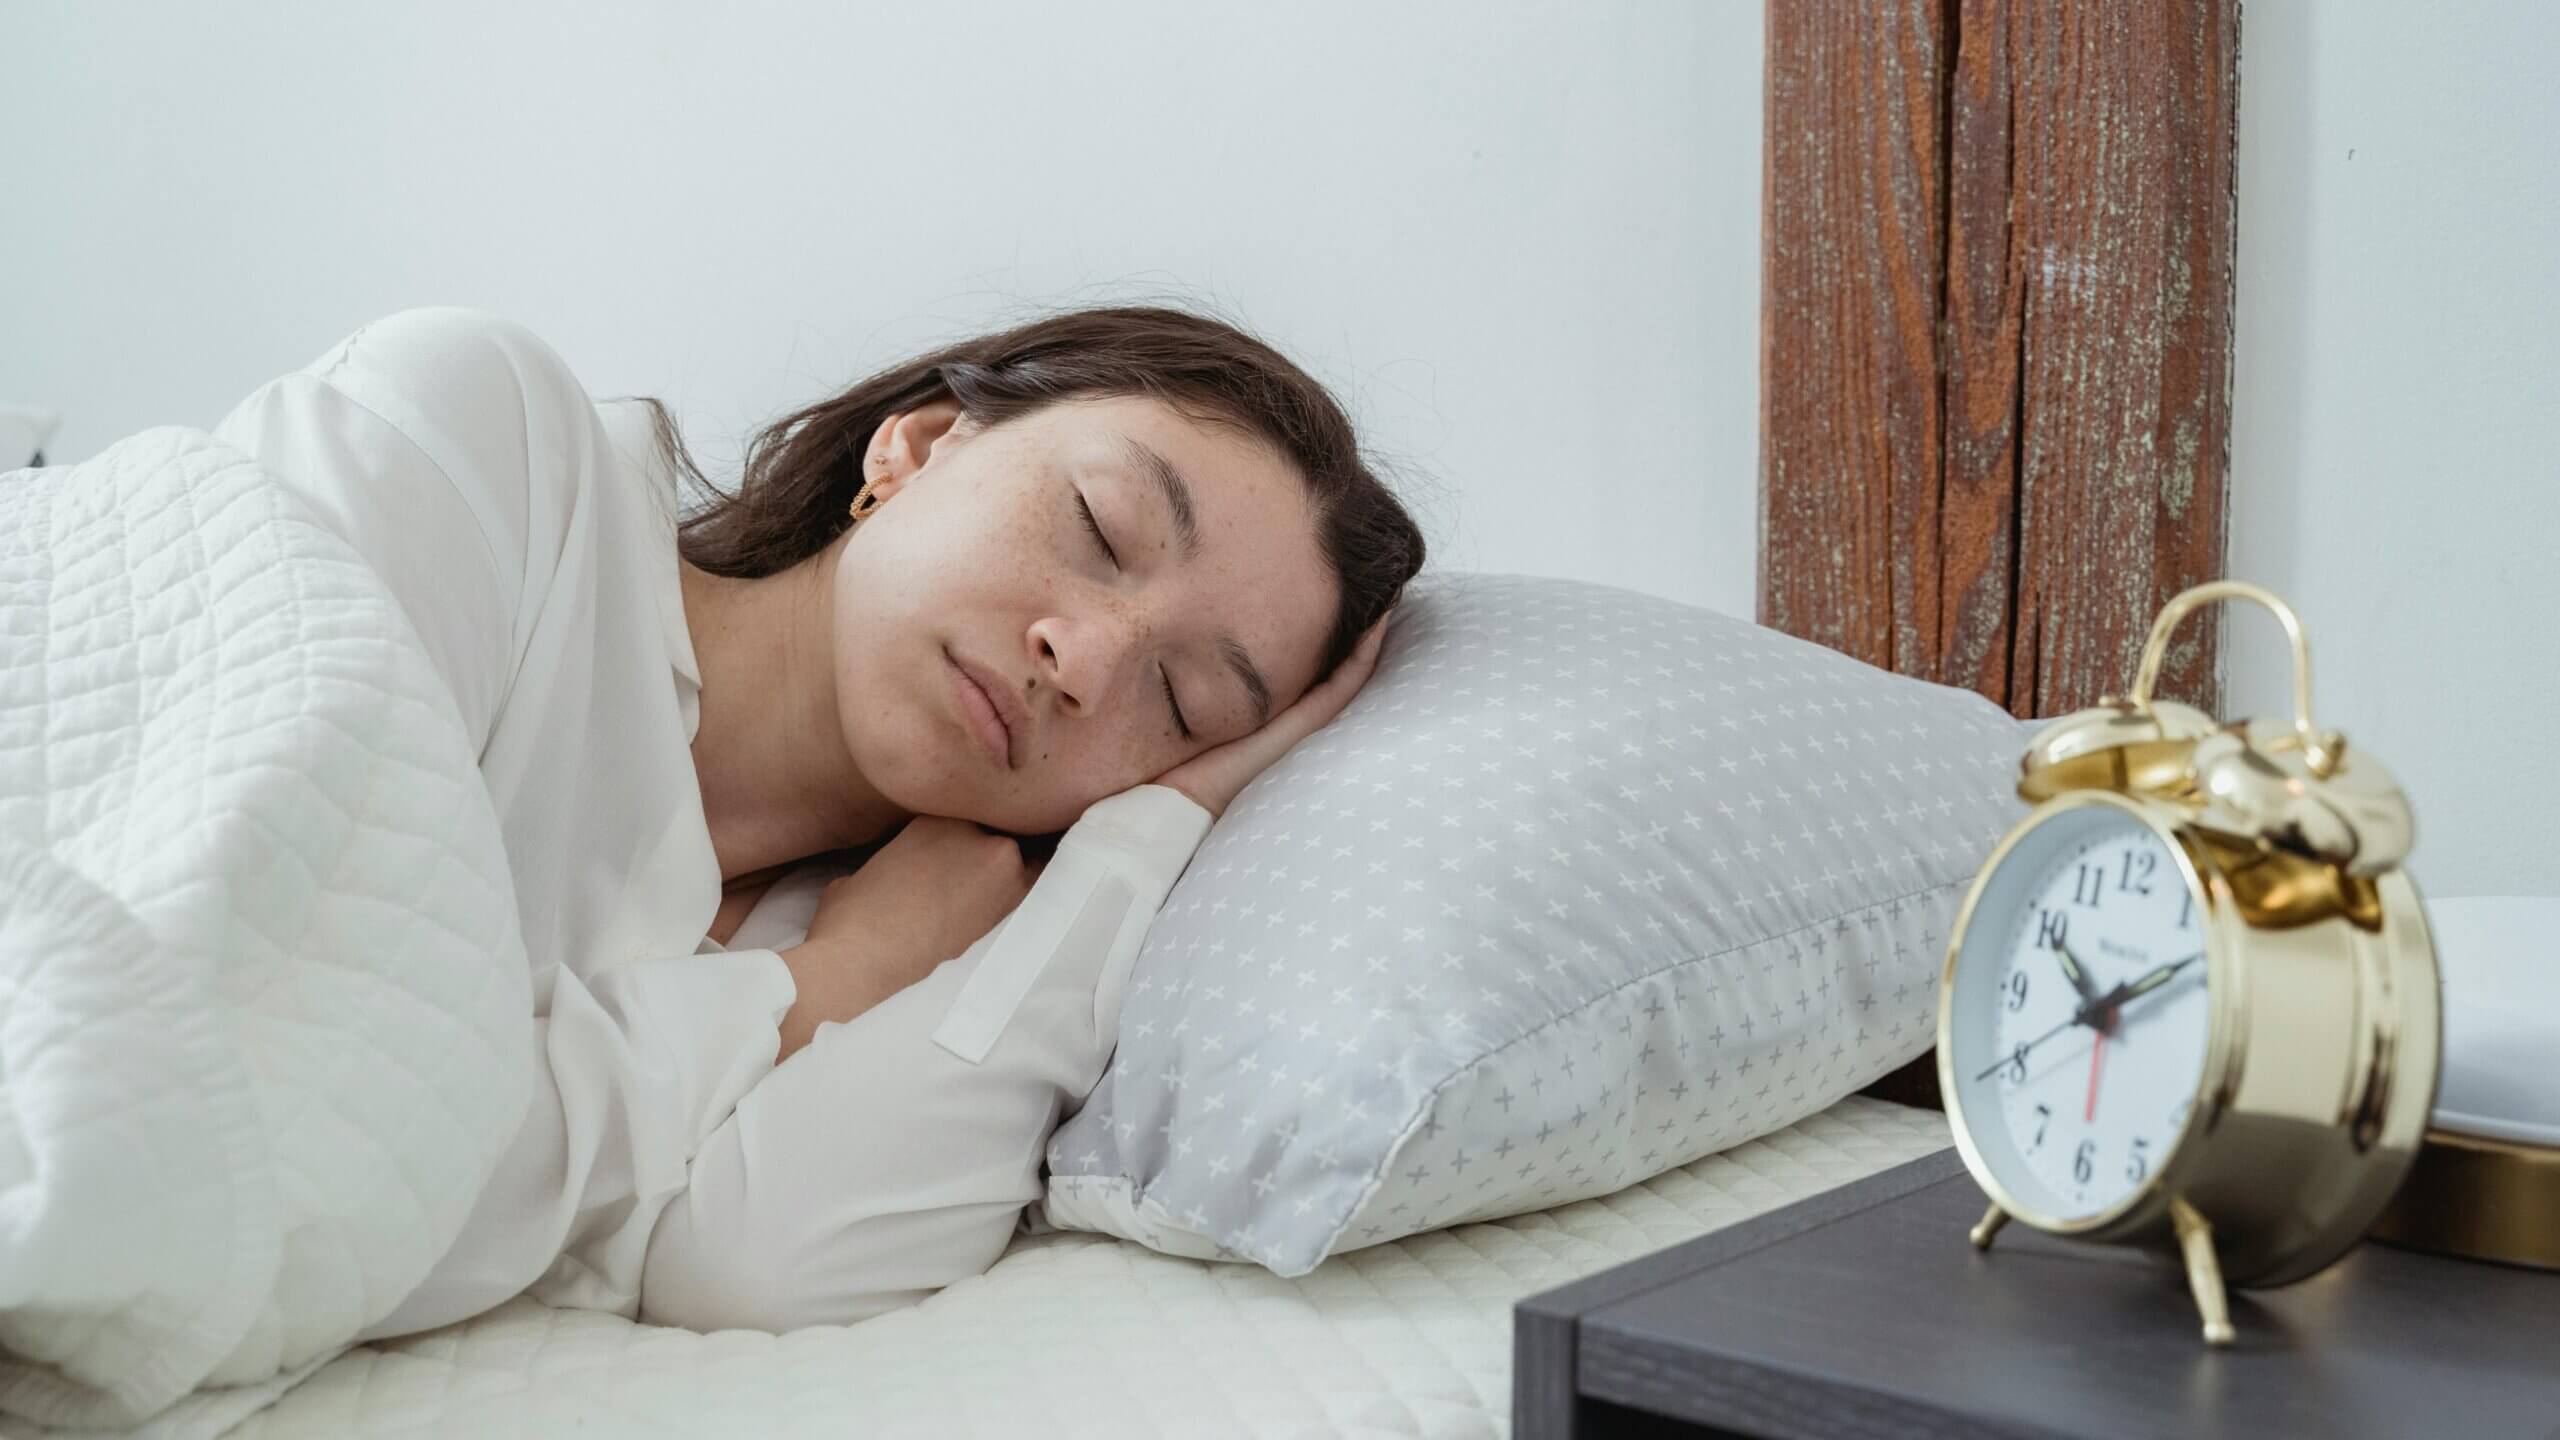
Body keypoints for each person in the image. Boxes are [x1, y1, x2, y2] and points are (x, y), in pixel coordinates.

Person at [207, 304, 1424, 1338]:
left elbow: (756, 1263)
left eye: (1181, 703)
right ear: (921, 445)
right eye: (1101, 530)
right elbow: (258, 1102)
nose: (1085, 659)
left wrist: (1131, 850)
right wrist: (819, 984)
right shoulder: (491, 450)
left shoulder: (879, 937)